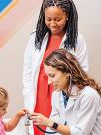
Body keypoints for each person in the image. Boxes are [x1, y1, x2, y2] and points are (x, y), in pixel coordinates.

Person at [22, 0, 88, 134]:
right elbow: (28, 70)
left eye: (58, 19)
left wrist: (71, 96)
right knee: (38, 126)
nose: (53, 24)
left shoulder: (77, 40)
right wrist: (27, 93)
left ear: (67, 16)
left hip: (62, 92)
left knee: (57, 127)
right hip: (38, 92)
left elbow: (83, 71)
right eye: (49, 19)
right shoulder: (36, 37)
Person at [30, 48, 101, 135]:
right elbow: (53, 130)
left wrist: (50, 123)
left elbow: (81, 133)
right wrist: (51, 124)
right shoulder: (57, 94)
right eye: (47, 76)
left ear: (67, 72)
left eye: (52, 76)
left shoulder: (89, 96)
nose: (49, 82)